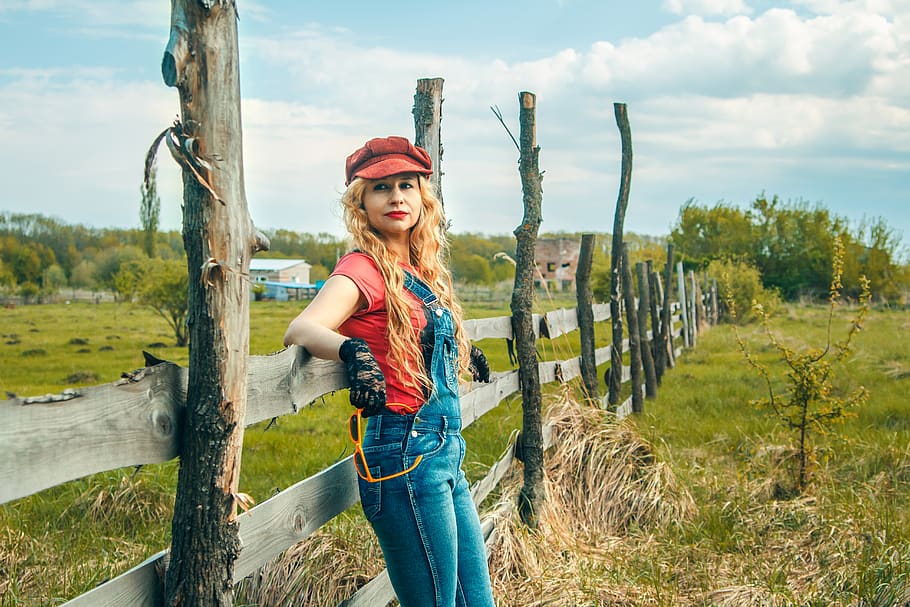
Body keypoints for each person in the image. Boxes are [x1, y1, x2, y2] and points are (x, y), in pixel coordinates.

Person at [283, 136, 496, 607]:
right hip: (402, 454)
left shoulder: (419, 268)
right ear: (362, 202)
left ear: (424, 197)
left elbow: (408, 333)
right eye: (381, 187)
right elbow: (302, 328)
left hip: (443, 450)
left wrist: (459, 347)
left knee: (475, 601)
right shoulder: (363, 266)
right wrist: (352, 352)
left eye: (406, 184)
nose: (396, 196)